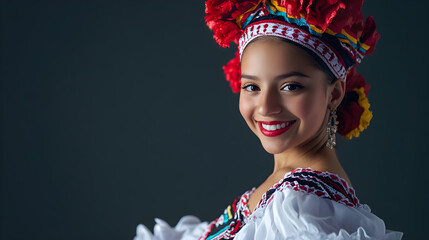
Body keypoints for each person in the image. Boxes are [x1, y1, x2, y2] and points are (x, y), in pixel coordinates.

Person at [134, 0, 403, 239]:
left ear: (334, 93)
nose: (267, 107)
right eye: (252, 87)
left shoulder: (302, 210)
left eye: (291, 86)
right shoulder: (291, 192)